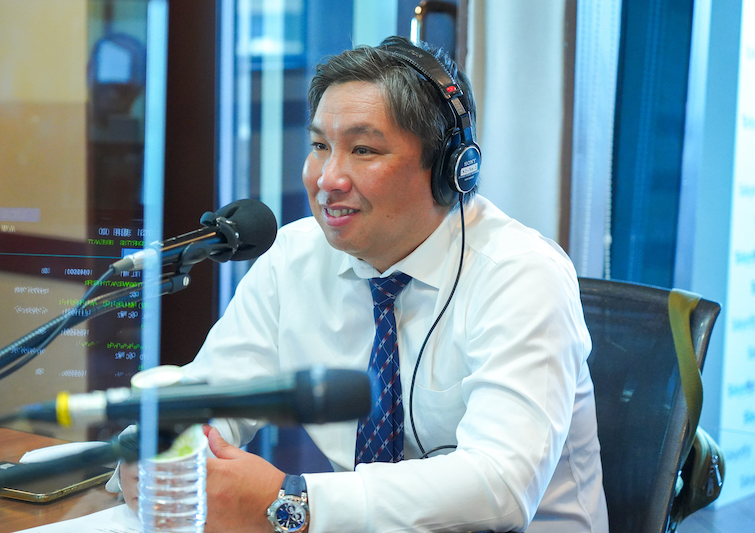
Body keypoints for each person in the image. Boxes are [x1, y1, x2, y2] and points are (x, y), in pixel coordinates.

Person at [112, 36, 609, 532]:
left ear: (448, 168)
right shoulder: (294, 257)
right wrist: (161, 451)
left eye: (363, 149)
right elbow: (211, 397)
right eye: (319, 147)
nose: (328, 179)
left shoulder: (522, 275)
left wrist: (294, 500)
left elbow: (500, 485)